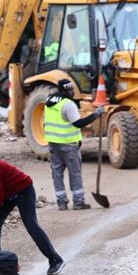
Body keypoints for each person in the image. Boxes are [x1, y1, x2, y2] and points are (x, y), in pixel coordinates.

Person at [44, 79, 104, 210]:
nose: (72, 92)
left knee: (57, 173)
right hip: (68, 144)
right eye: (69, 90)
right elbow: (78, 123)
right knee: (75, 173)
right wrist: (96, 115)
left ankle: (61, 202)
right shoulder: (68, 104)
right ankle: (78, 202)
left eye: (72, 89)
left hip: (53, 144)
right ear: (64, 90)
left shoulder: (50, 101)